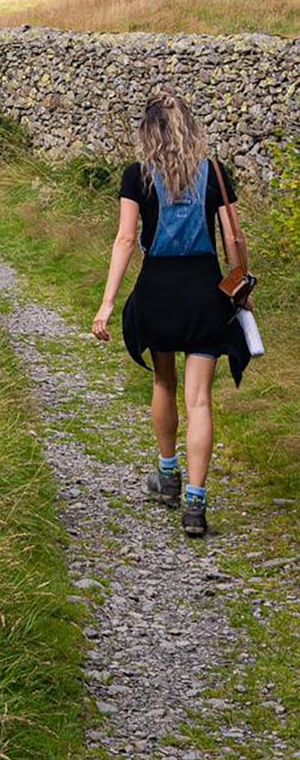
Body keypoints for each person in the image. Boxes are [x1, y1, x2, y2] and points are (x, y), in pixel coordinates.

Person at [91, 90, 252, 537]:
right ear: (191, 129)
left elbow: (125, 241)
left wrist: (107, 303)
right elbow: (234, 239)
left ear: (148, 132)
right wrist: (242, 284)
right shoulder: (216, 173)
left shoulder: (136, 177)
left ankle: (167, 476)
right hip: (206, 292)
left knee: (164, 380)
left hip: (158, 292)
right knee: (200, 398)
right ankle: (195, 505)